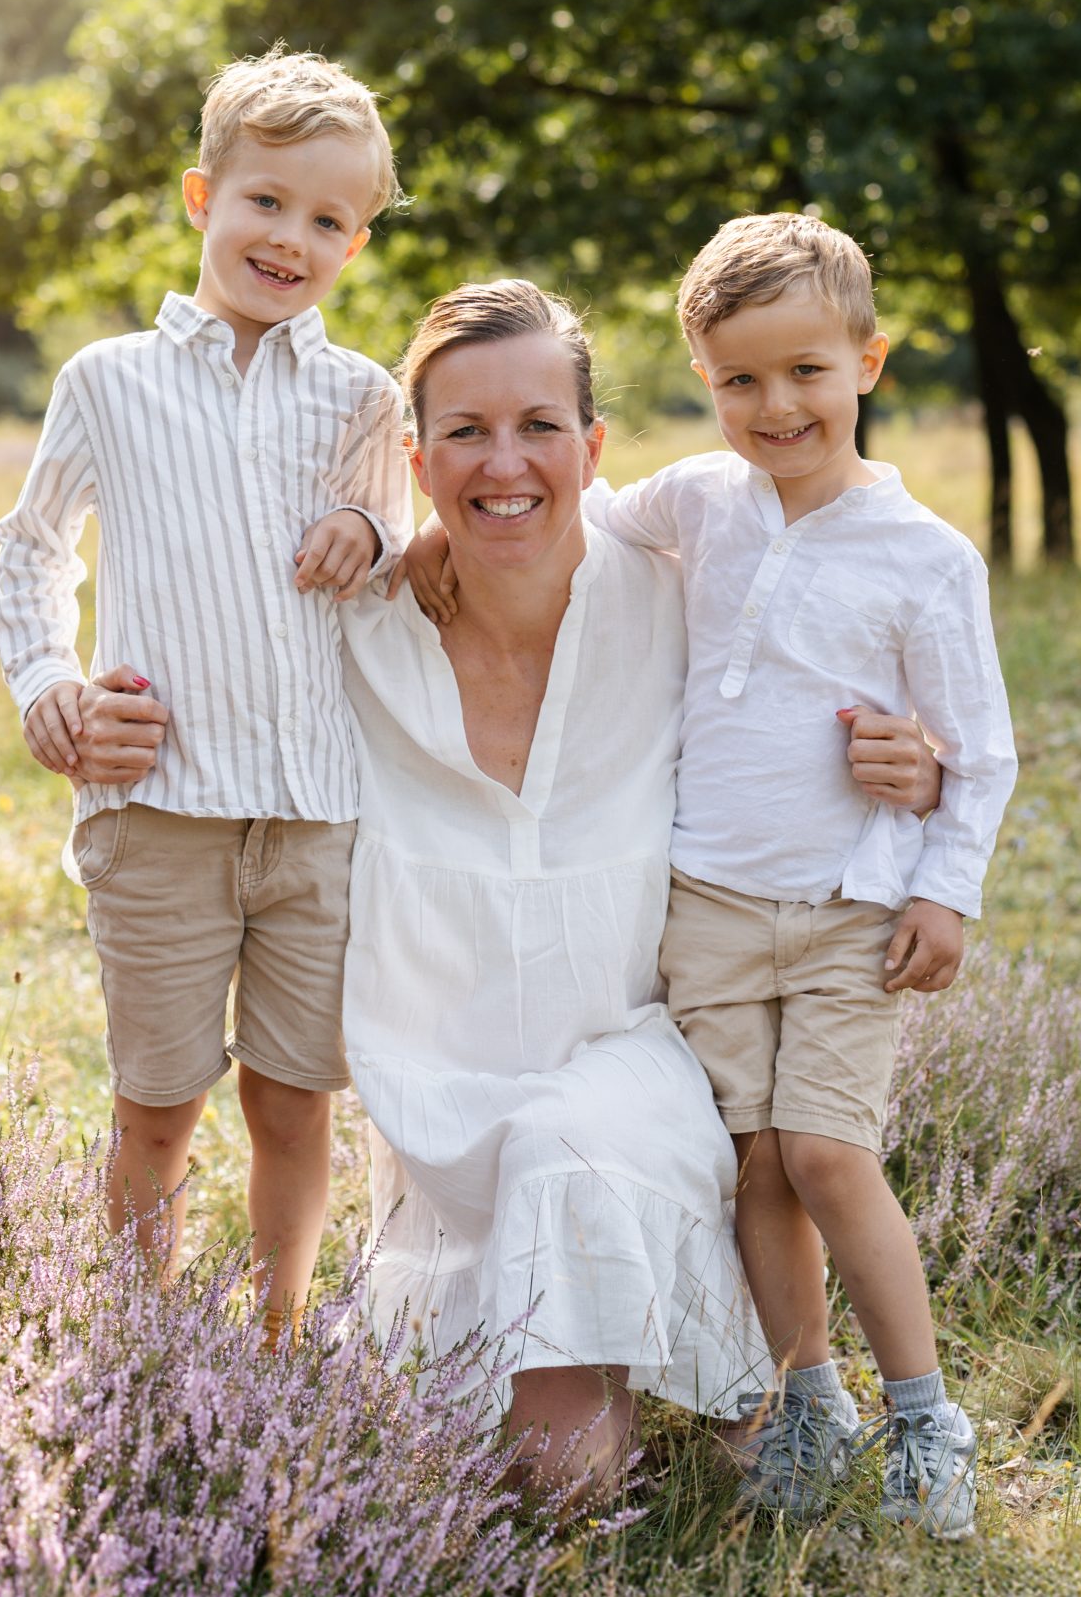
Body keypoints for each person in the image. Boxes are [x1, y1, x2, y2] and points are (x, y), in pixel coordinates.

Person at [407, 216, 1017, 1537]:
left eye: (805, 371)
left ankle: (927, 1417)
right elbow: (572, 513)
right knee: (752, 1169)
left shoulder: (925, 558)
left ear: (869, 359)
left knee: (828, 1156)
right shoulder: (699, 500)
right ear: (701, 377)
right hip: (713, 912)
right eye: (738, 380)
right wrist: (432, 544)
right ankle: (810, 1398)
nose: (775, 406)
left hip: (851, 909)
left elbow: (983, 750)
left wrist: (943, 888)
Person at [0, 49, 411, 1342]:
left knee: (296, 1102)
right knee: (158, 1104)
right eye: (267, 202)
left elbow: (396, 560)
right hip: (156, 806)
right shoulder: (109, 383)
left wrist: (370, 532)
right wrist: (47, 681)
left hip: (314, 817)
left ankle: (280, 1328)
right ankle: (140, 1333)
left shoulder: (363, 398)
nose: (292, 238)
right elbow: (33, 549)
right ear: (201, 198)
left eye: (329, 221)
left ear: (356, 244)